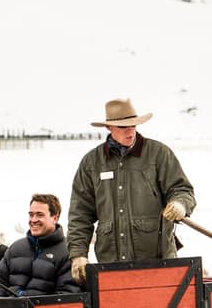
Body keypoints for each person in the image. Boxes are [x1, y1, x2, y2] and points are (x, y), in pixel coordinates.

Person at [67, 98, 196, 282]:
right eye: (123, 127)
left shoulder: (159, 154)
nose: (130, 131)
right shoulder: (91, 163)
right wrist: (78, 254)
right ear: (109, 128)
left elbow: (182, 189)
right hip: (110, 264)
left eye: (133, 125)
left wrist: (180, 204)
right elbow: (80, 214)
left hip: (158, 263)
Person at [0, 193, 81, 297]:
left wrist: (31, 305)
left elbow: (68, 294)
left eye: (40, 215)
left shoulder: (68, 253)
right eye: (31, 215)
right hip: (9, 307)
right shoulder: (15, 248)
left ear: (55, 218)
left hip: (44, 307)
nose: (33, 220)